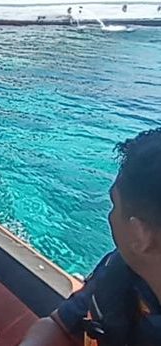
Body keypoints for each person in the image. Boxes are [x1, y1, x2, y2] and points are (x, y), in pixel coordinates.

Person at [20, 128, 161, 346]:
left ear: (140, 234)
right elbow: (58, 326)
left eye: (114, 204)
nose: (110, 216)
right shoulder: (121, 273)